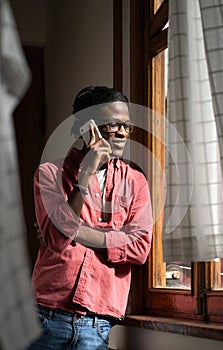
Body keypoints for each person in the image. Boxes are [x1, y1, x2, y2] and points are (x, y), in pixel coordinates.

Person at [27, 86, 153, 350]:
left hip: (97, 324)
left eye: (126, 126)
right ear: (88, 127)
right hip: (46, 317)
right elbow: (57, 239)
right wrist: (86, 174)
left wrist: (77, 231)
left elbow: (140, 249)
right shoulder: (49, 174)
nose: (122, 132)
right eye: (113, 125)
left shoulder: (135, 181)